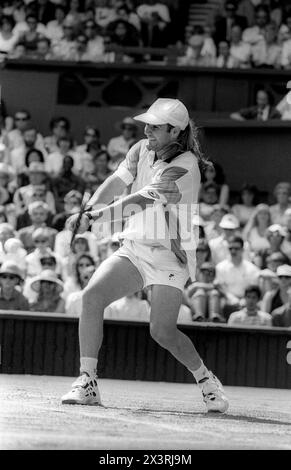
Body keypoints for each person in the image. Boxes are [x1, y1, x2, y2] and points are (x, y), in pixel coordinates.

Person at [61, 97, 229, 413]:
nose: (147, 129)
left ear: (175, 131)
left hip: (170, 255)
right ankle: (88, 381)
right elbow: (116, 182)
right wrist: (91, 208)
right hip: (135, 247)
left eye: (154, 125)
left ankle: (206, 381)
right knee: (92, 297)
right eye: (147, 124)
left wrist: (96, 218)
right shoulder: (140, 149)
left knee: (162, 331)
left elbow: (142, 199)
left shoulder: (186, 166)